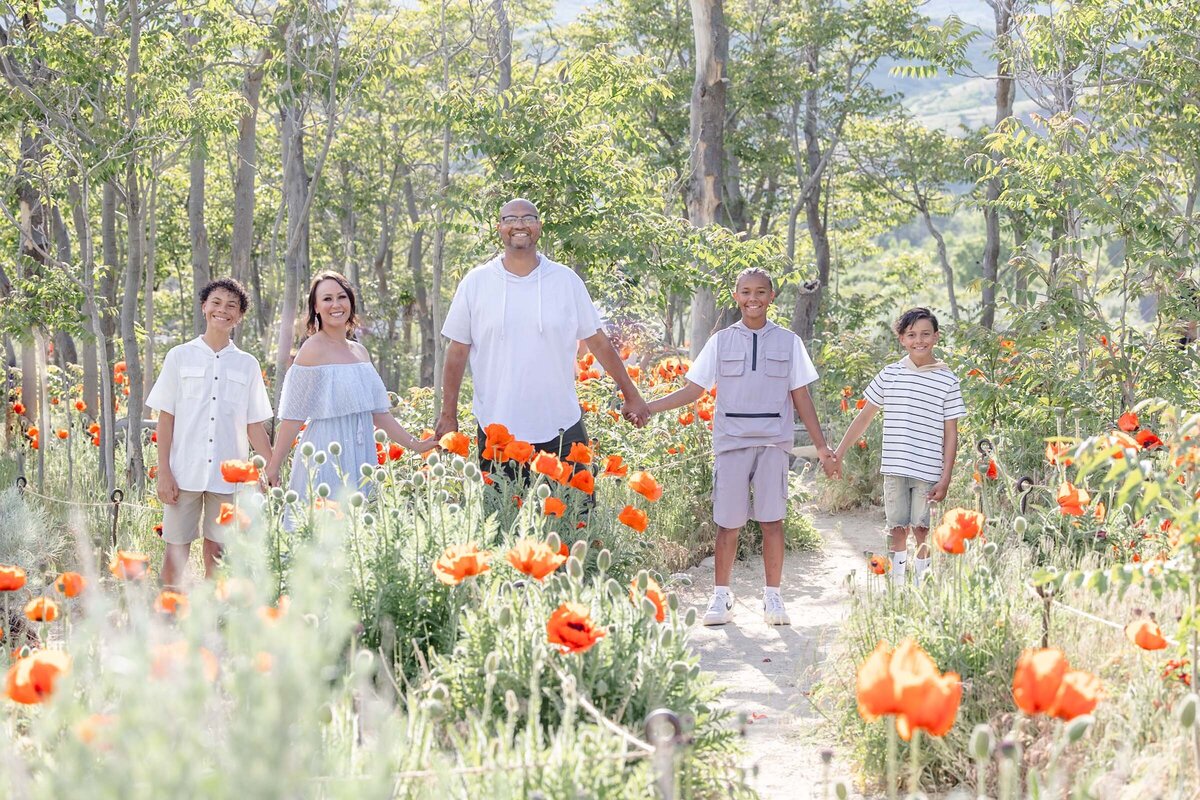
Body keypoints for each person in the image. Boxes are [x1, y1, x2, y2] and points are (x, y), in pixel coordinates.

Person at [643, 268, 839, 627]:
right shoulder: (720, 342)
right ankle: (721, 597)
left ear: (772, 296)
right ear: (735, 296)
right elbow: (693, 390)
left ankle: (773, 597)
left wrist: (822, 447)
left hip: (772, 442)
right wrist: (648, 406)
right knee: (727, 524)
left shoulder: (789, 342)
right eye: (746, 292)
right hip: (731, 442)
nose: (753, 299)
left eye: (761, 292)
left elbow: (801, 397)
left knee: (772, 521)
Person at [435, 198, 650, 477]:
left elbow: (598, 342)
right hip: (498, 429)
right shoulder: (476, 283)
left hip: (562, 426)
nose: (520, 225)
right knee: (504, 518)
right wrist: (448, 414)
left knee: (576, 517)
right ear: (499, 228)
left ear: (539, 226)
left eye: (528, 218)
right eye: (511, 219)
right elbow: (457, 352)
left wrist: (631, 394)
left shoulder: (566, 280)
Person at [266, 271, 437, 518]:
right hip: (325, 451)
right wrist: (274, 465)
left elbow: (379, 413)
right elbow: (294, 416)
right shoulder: (312, 349)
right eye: (327, 299)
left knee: (359, 531)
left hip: (361, 452)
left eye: (341, 297)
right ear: (315, 307)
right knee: (323, 526)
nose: (336, 305)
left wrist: (416, 445)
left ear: (350, 302)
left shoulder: (360, 352)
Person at [147, 278, 274, 590]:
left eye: (232, 306)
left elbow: (254, 424)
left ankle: (210, 615)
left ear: (239, 316)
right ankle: (168, 614)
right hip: (183, 471)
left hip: (228, 475)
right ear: (204, 307)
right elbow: (166, 418)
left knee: (218, 551)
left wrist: (271, 468)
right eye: (216, 302)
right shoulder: (179, 356)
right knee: (175, 548)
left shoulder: (247, 364)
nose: (223, 310)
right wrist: (164, 471)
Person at [834, 307, 966, 585]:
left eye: (925, 334)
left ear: (936, 337)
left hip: (928, 469)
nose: (919, 340)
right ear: (902, 339)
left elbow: (951, 433)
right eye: (912, 335)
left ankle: (921, 582)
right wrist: (839, 452)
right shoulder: (890, 374)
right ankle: (897, 584)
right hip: (895, 467)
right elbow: (864, 417)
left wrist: (946, 476)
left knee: (921, 528)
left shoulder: (947, 380)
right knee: (897, 528)